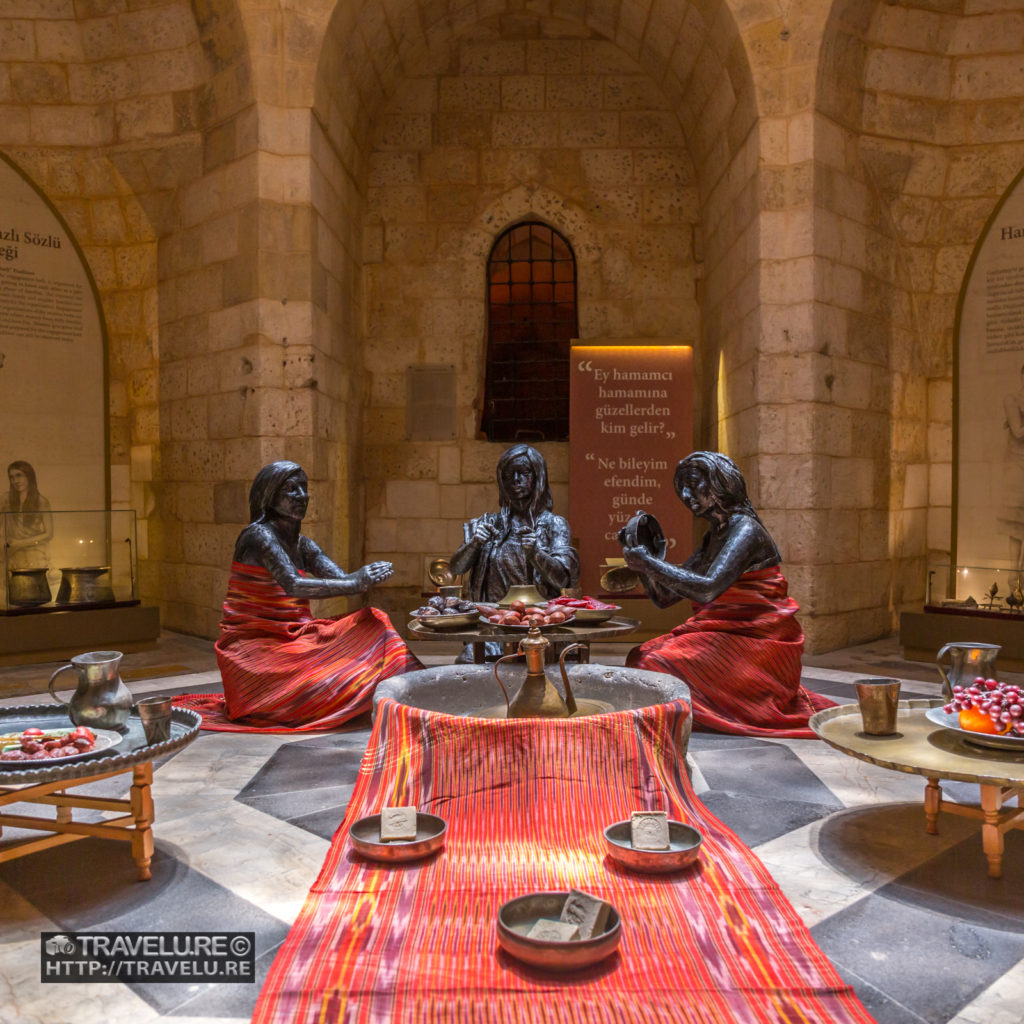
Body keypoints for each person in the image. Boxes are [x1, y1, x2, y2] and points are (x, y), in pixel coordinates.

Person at [174, 461, 421, 732]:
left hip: (295, 637)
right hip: (254, 648)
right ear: (270, 495)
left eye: (304, 489)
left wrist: (363, 579)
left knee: (375, 621)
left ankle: (413, 689)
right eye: (290, 490)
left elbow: (342, 579)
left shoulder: (303, 544)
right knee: (329, 681)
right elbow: (293, 584)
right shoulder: (258, 535)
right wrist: (356, 581)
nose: (301, 496)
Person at [619, 451, 833, 738]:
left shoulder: (746, 529)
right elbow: (665, 599)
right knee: (641, 655)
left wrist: (651, 563)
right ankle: (710, 707)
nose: (686, 495)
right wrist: (642, 562)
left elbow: (707, 588)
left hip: (758, 641)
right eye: (681, 488)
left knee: (653, 663)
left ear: (721, 483)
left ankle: (723, 710)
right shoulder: (714, 535)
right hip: (727, 632)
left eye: (695, 485)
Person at [449, 443, 580, 603]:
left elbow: (564, 580)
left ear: (538, 476)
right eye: (509, 474)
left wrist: (535, 554)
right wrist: (474, 544)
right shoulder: (487, 523)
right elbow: (456, 568)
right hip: (492, 617)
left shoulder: (555, 525)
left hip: (538, 618)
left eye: (524, 472)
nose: (516, 480)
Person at [2, 460, 53, 570]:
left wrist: (20, 543)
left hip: (34, 551)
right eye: (12, 477)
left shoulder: (41, 501)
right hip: (10, 552)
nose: (15, 481)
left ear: (29, 476)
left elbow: (49, 534)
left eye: (19, 475)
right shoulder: (5, 499)